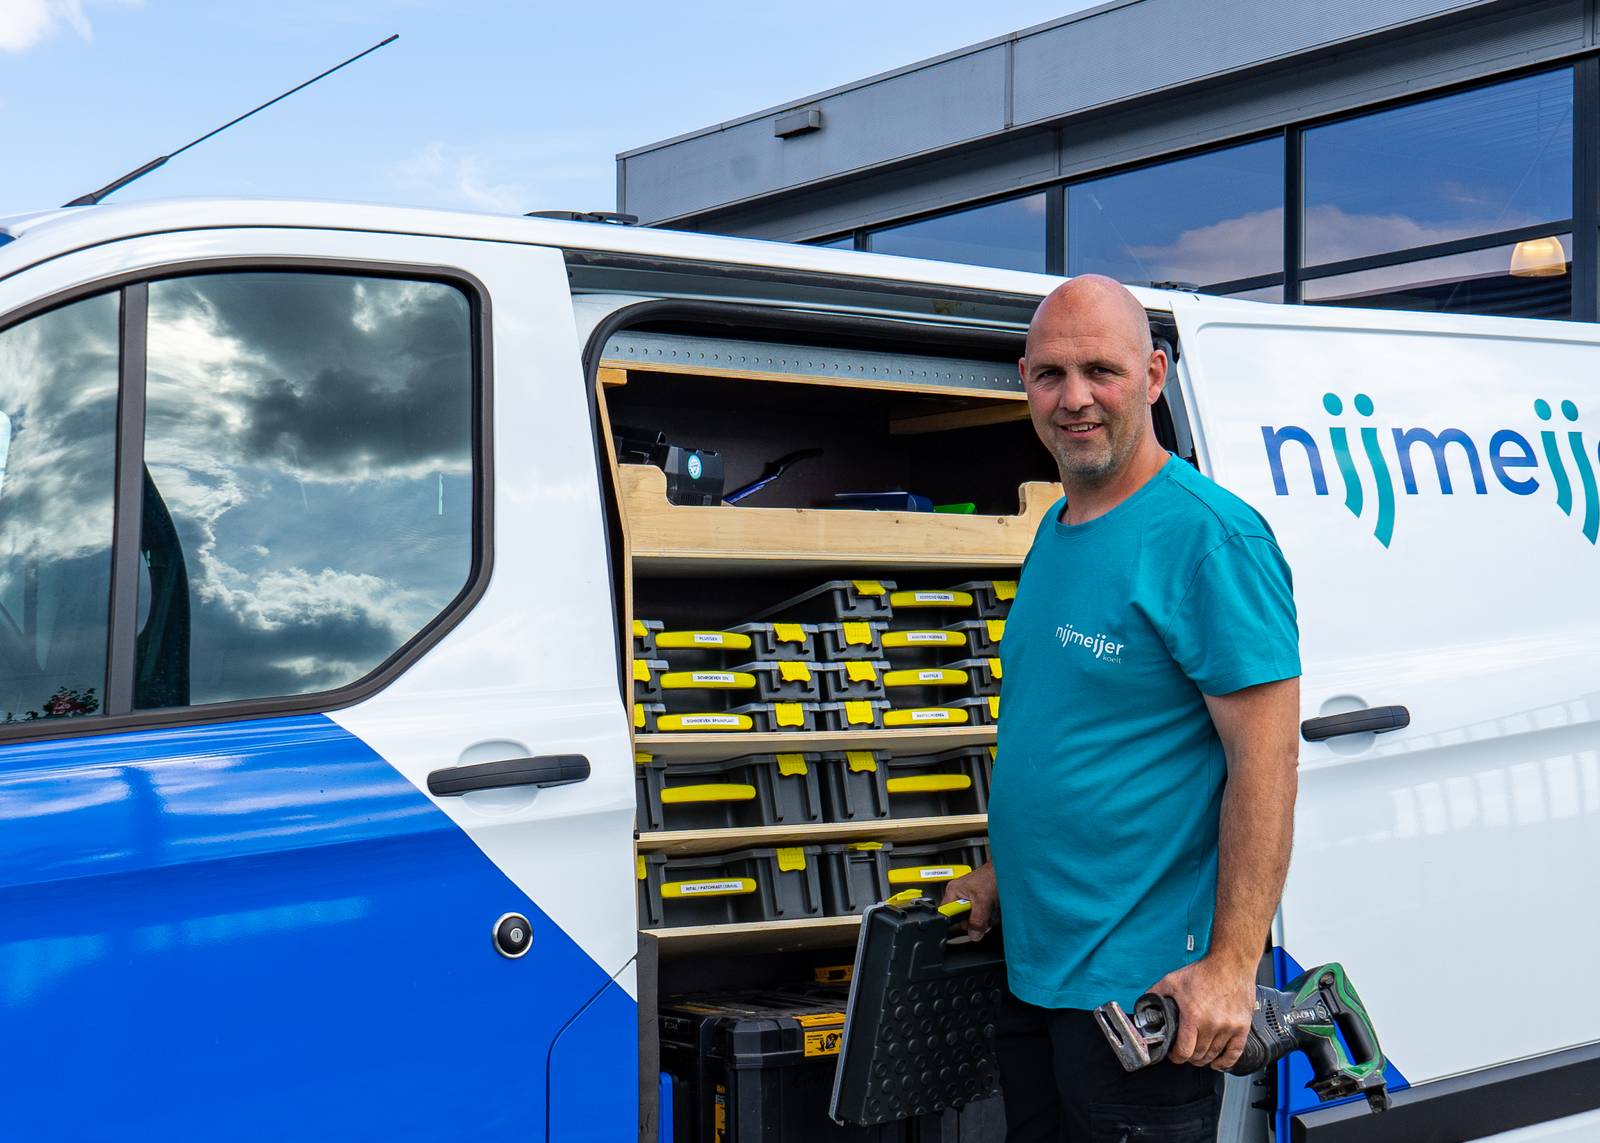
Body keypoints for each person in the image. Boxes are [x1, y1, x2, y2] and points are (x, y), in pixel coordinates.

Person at [943, 275, 1301, 1142]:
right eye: (1051, 375)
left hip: (1145, 999)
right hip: (1038, 973)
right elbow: (1077, 732)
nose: (1075, 399)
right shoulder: (1058, 528)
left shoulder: (1210, 539)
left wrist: (1232, 967)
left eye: (1100, 370)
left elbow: (1268, 764)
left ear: (1153, 375)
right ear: (1024, 380)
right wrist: (1005, 876)